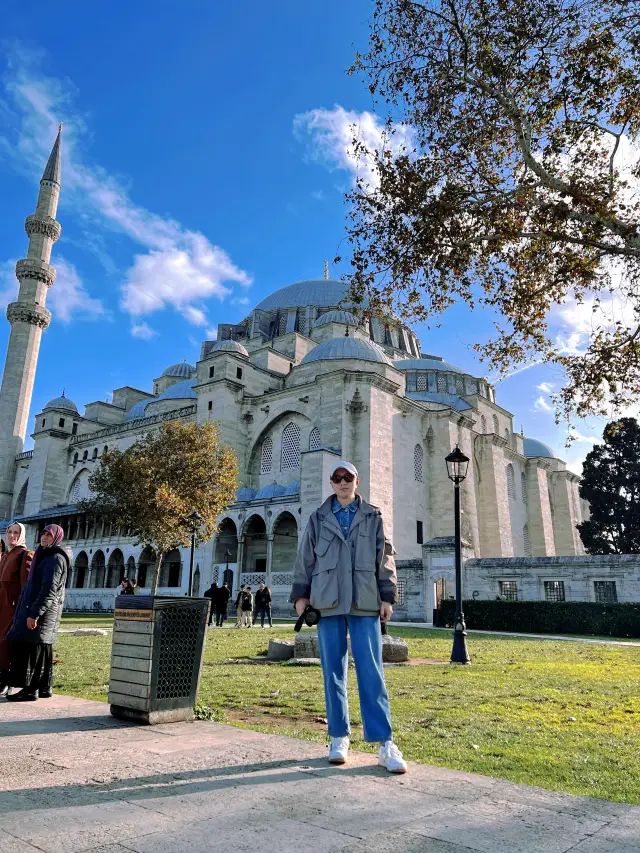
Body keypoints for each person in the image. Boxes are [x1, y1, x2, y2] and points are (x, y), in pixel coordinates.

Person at [291, 460, 407, 774]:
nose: (343, 483)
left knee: (372, 672)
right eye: (337, 478)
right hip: (327, 603)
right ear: (332, 483)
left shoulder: (372, 517)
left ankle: (385, 743)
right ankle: (339, 737)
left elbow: (385, 558)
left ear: (357, 481)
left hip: (364, 602)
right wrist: (301, 597)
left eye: (348, 478)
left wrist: (387, 596)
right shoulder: (318, 518)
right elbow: (306, 559)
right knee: (333, 673)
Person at [6, 524, 71, 702]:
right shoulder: (47, 556)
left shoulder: (55, 558)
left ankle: (29, 690)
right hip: (43, 611)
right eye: (43, 534)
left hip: (42, 612)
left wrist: (35, 614)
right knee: (41, 648)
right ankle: (43, 688)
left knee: (31, 649)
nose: (44, 537)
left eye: (49, 535)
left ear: (56, 538)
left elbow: (49, 589)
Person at [0, 523, 33, 698]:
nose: (12, 535)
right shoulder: (6, 554)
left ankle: (6, 679)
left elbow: (25, 585)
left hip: (12, 607)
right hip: (1, 605)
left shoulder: (24, 555)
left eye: (16, 533)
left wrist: (23, 609)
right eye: (9, 532)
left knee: (6, 644)